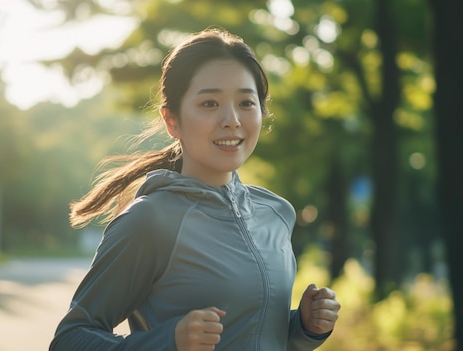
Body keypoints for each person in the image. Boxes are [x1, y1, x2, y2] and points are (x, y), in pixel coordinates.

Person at [50, 27, 340, 351]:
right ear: (172, 121)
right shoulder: (149, 221)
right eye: (210, 103)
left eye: (246, 102)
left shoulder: (277, 213)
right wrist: (168, 342)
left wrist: (302, 326)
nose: (231, 119)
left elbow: (251, 333)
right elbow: (70, 340)